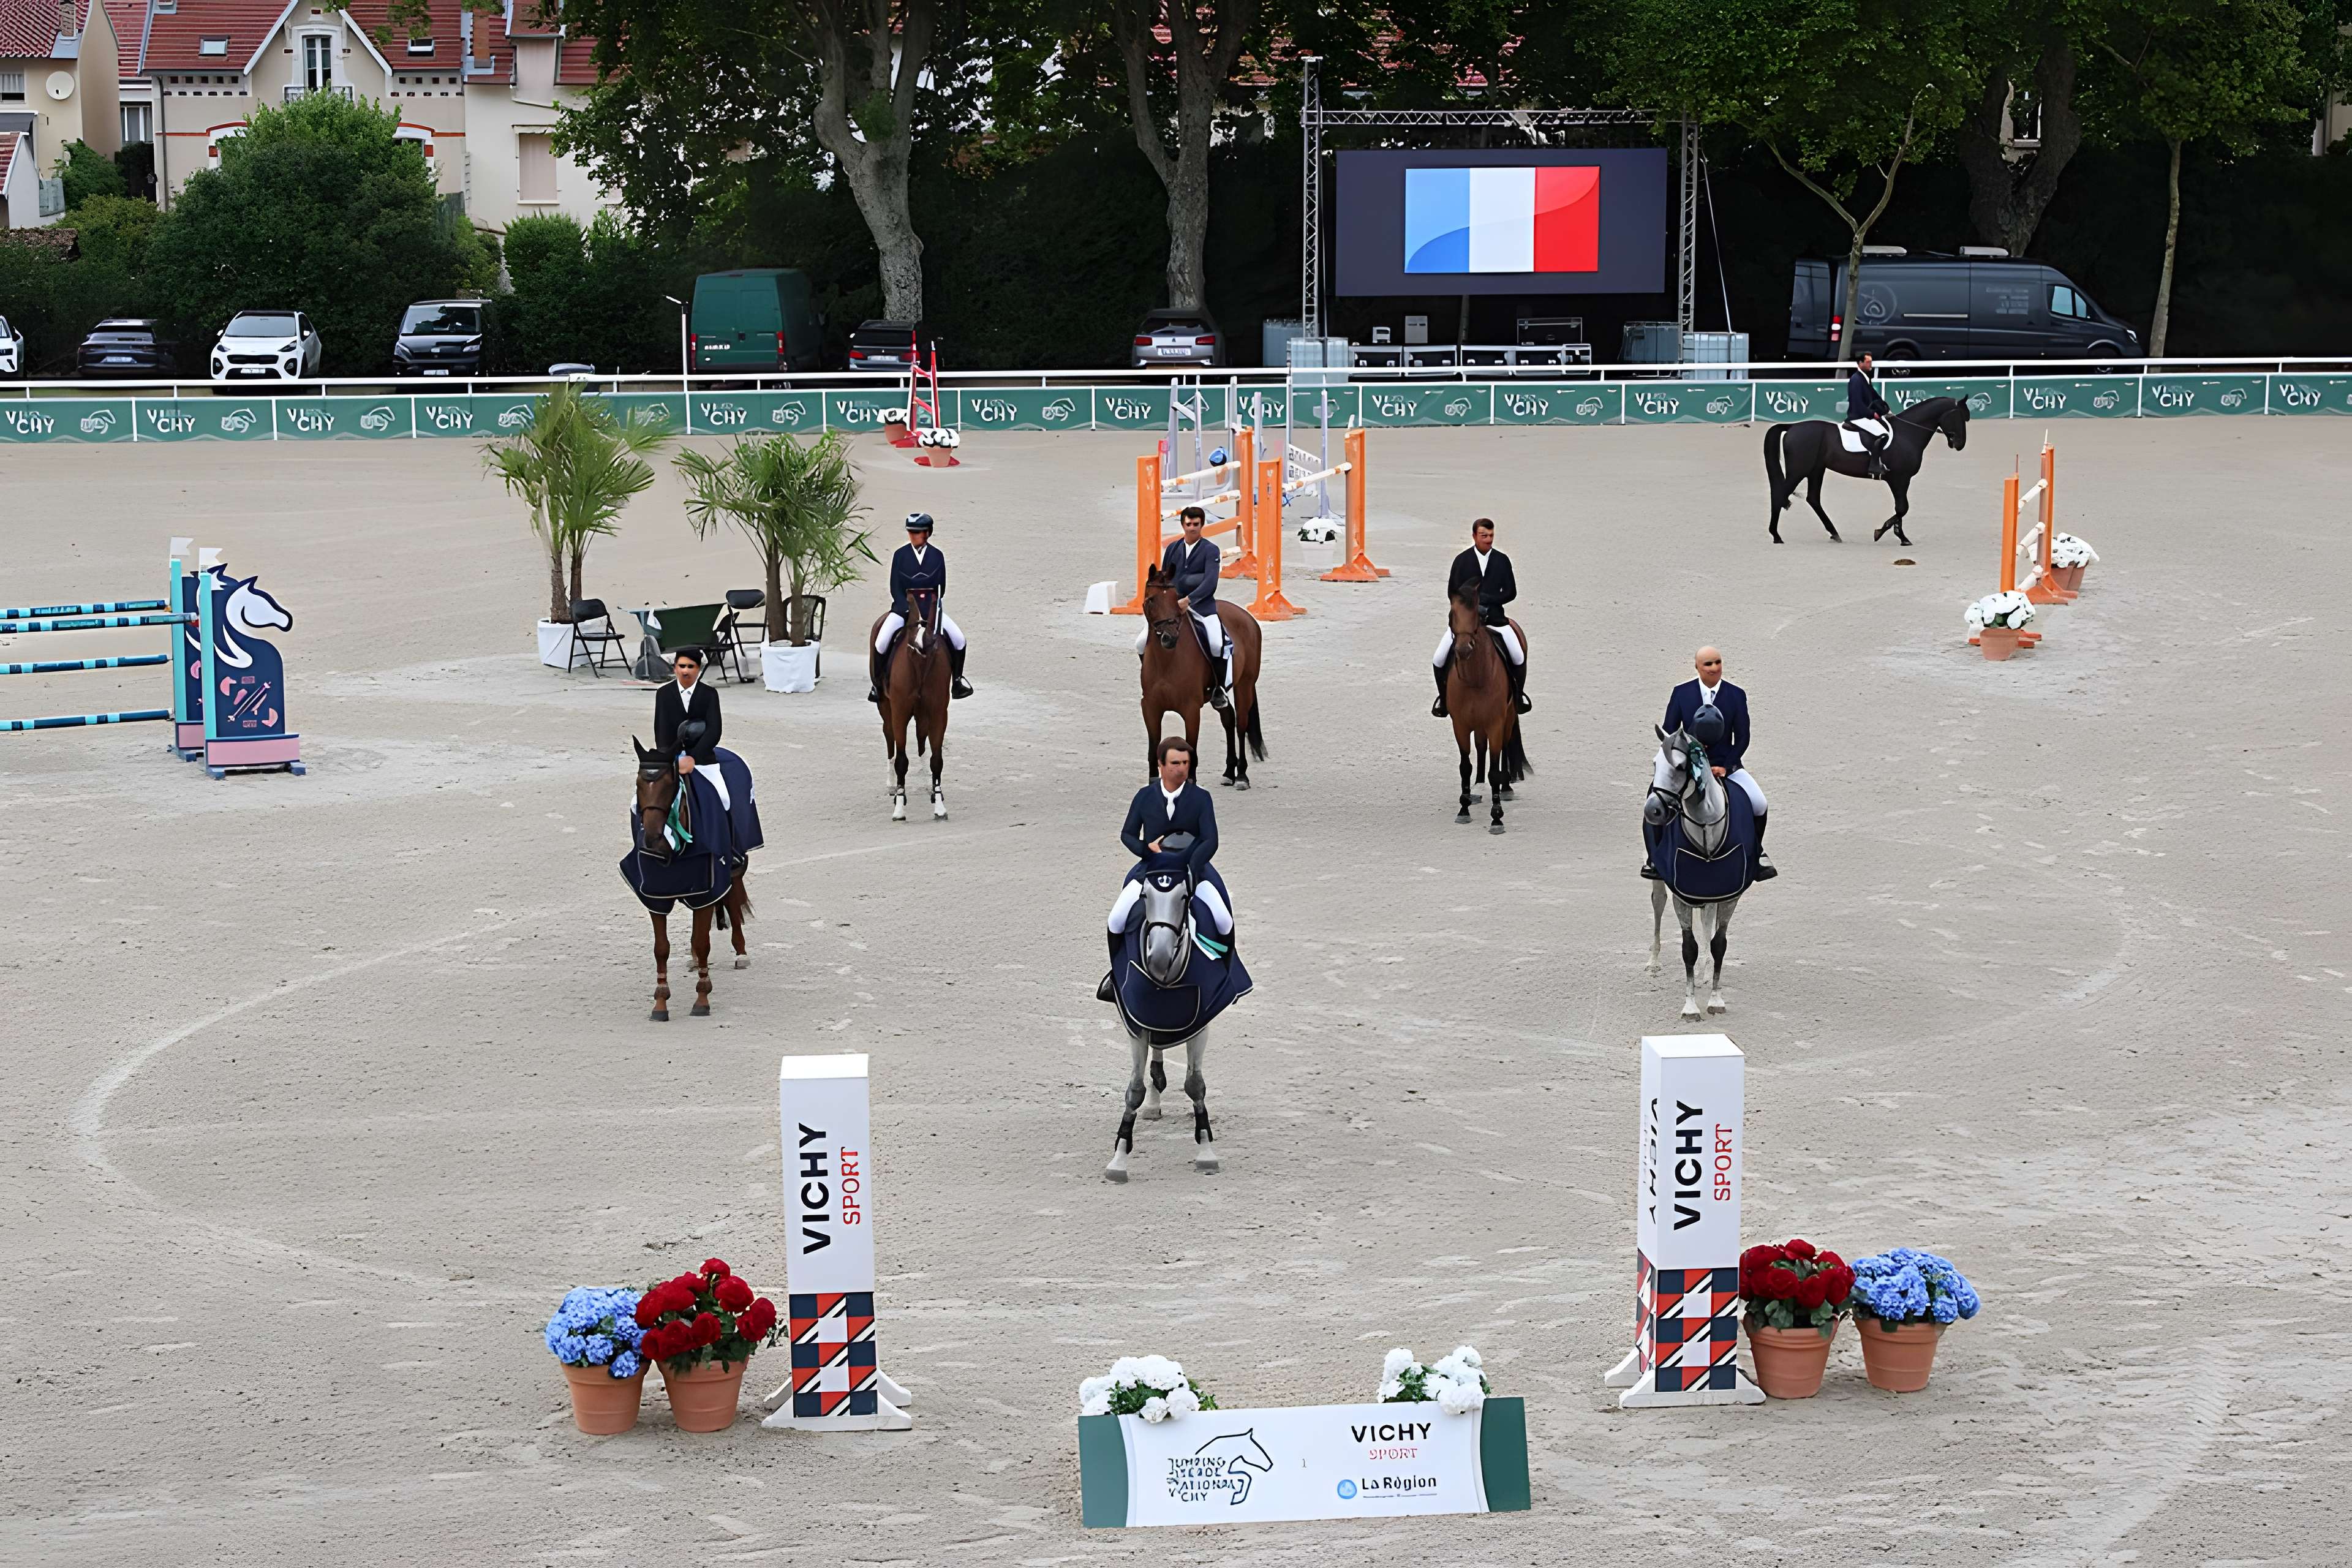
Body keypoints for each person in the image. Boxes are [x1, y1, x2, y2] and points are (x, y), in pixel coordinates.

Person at [1102, 736, 1232, 990]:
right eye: (1175, 763)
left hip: (1194, 869)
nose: (1181, 768)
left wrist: (1191, 865)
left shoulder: (1202, 798)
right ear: (1160, 765)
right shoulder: (1144, 797)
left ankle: (1227, 977)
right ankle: (1116, 978)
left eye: (1185, 763)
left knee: (1223, 918)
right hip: (1152, 868)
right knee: (1116, 919)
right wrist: (1145, 850)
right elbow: (1127, 834)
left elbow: (1211, 840)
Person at [1642, 646, 1773, 881]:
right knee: (1654, 799)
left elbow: (1743, 737)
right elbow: (1671, 733)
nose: (1714, 668)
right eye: (1708, 664)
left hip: (1726, 767)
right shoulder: (1681, 693)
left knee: (1759, 803)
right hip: (1687, 769)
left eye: (1718, 662)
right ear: (1697, 667)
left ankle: (1757, 855)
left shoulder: (1736, 695)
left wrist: (1727, 765)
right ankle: (1654, 859)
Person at [869, 511, 973, 703]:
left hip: (931, 609)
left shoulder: (937, 556)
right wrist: (906, 607)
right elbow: (895, 587)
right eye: (911, 532)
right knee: (881, 642)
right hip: (904, 608)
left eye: (918, 532)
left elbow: (940, 588)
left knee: (959, 639)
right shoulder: (900, 555)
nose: (914, 536)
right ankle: (877, 685)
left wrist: (932, 608)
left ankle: (957, 681)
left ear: (928, 533)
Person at [1431, 517, 1529, 717]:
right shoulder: (1461, 561)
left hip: (1495, 619)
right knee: (1439, 658)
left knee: (1518, 655)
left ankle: (1519, 697)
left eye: (1491, 536)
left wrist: (1488, 599)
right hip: (1466, 623)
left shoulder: (1502, 560)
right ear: (1474, 536)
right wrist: (1470, 605)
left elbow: (1511, 592)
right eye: (1484, 536)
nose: (1489, 540)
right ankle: (1443, 700)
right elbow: (1453, 593)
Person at [1139, 505, 1231, 712]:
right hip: (1172, 609)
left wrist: (1189, 600)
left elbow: (1210, 583)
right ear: (1183, 525)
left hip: (1202, 607)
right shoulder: (1172, 549)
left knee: (1217, 643)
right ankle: (1150, 679)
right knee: (1140, 642)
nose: (1192, 528)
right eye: (1188, 524)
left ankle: (1219, 689)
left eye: (1196, 525)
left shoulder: (1210, 550)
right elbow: (1165, 579)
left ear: (1202, 525)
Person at [653, 647, 722, 777]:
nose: (685, 671)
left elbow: (714, 730)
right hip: (672, 759)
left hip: (703, 758)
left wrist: (693, 757)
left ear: (698, 669)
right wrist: (671, 759)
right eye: (682, 666)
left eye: (691, 667)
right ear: (675, 668)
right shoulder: (663, 693)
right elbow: (661, 730)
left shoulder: (710, 694)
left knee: (723, 796)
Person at [1846, 352, 1892, 479]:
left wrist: (1886, 409)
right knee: (1884, 435)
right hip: (1858, 416)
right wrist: (1873, 414)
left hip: (1864, 415)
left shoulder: (1865, 378)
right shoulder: (1856, 379)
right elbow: (1857, 404)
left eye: (1871, 362)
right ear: (1860, 363)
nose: (1870, 364)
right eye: (1868, 362)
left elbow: (1874, 396)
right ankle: (1874, 466)